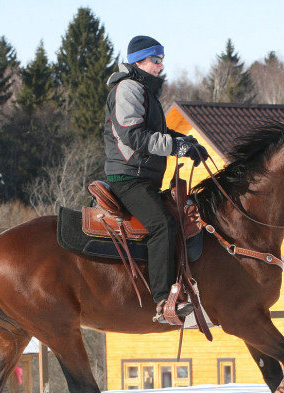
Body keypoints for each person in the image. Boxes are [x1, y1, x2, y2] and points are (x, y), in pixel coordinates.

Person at [103, 35, 209, 322]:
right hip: (127, 178)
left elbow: (157, 133)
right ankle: (164, 301)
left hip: (144, 178)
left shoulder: (145, 92)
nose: (161, 66)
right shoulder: (127, 89)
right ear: (139, 60)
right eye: (156, 60)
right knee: (162, 224)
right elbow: (134, 135)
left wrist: (187, 142)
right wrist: (176, 146)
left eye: (162, 60)